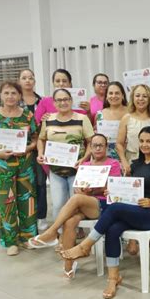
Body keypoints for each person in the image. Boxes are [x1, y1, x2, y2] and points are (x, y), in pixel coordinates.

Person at [61, 126, 150, 299]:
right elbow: (130, 190)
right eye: (141, 141)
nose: (145, 145)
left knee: (115, 208)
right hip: (138, 210)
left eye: (149, 141)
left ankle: (86, 245)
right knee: (112, 228)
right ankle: (113, 278)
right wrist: (115, 193)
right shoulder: (136, 165)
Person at [28, 134, 121, 279]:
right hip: (85, 203)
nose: (97, 148)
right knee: (70, 221)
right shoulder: (85, 166)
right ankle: (68, 265)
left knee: (76, 198)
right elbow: (77, 188)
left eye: (100, 145)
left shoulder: (113, 163)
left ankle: (52, 232)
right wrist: (83, 190)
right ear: (89, 148)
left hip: (103, 205)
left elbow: (113, 187)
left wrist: (93, 190)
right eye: (94, 145)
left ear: (106, 147)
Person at [0, 81, 38, 256]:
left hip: (24, 165)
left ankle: (27, 238)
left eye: (14, 93)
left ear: (20, 96)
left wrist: (27, 148)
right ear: (1, 95)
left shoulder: (27, 115)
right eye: (6, 93)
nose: (10, 96)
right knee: (6, 203)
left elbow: (35, 139)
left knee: (27, 201)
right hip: (1, 166)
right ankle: (11, 241)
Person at [36, 88, 94, 223]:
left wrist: (83, 159)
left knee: (76, 205)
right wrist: (40, 153)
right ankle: (60, 236)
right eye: (59, 100)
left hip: (77, 170)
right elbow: (41, 139)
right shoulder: (48, 120)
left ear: (71, 101)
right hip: (55, 171)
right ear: (54, 103)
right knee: (58, 205)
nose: (63, 103)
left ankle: (74, 232)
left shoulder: (82, 118)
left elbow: (92, 142)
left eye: (66, 99)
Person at [116, 84, 150, 254]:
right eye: (137, 96)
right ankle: (133, 239)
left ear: (149, 98)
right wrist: (124, 162)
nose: (140, 99)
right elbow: (119, 144)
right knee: (132, 200)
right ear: (132, 98)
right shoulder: (126, 118)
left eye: (144, 96)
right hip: (132, 159)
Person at [18, 69, 48, 232]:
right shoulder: (14, 101)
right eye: (24, 78)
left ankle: (41, 217)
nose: (28, 81)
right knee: (24, 184)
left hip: (39, 148)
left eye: (30, 78)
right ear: (19, 81)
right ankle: (25, 218)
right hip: (19, 149)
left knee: (40, 183)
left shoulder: (42, 101)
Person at [95, 81, 128, 160]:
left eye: (117, 93)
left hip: (126, 156)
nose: (113, 96)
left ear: (122, 95)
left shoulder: (130, 113)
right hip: (104, 157)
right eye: (110, 93)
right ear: (106, 96)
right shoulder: (99, 115)